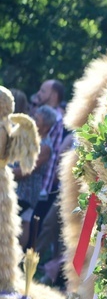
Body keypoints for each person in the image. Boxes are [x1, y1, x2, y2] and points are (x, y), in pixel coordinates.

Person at [13, 105, 57, 249]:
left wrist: (5, 173)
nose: (32, 121)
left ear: (45, 127)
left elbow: (26, 170)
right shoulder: (30, 137)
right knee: (24, 221)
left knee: (16, 222)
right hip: (18, 188)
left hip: (25, 192)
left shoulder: (45, 147)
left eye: (36, 119)